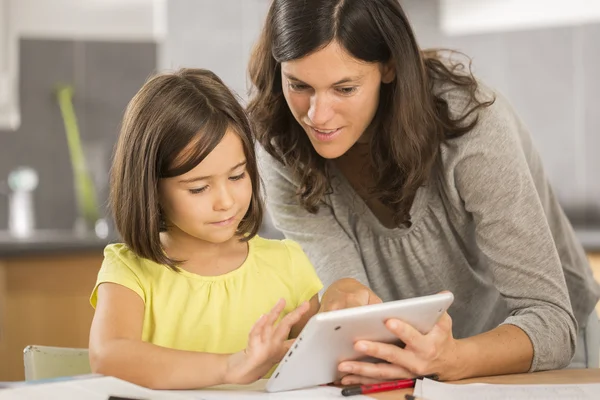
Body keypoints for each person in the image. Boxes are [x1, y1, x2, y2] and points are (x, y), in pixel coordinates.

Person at [247, 0, 600, 384]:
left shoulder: (470, 126)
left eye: (344, 88)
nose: (317, 115)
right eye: (299, 85)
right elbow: (350, 303)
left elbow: (551, 322)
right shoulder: (281, 146)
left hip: (538, 352)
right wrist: (339, 311)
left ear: (389, 66)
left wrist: (452, 358)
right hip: (418, 370)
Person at [88, 68, 323, 389]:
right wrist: (230, 367)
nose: (225, 201)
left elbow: (322, 366)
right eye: (199, 188)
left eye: (238, 176)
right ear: (151, 187)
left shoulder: (289, 263)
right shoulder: (129, 270)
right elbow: (107, 355)